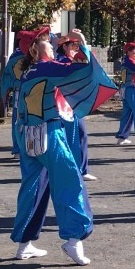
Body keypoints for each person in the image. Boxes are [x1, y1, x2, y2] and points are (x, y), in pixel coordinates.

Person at [11, 27, 119, 264]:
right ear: (34, 49)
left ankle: (24, 244)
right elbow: (83, 70)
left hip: (26, 134)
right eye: (46, 41)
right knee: (70, 181)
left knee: (32, 188)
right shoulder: (46, 67)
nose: (52, 44)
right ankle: (74, 239)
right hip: (49, 133)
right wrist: (83, 43)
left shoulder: (28, 72)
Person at [55, 33, 97, 182]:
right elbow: (87, 64)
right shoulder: (62, 62)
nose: (75, 48)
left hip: (70, 105)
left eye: (76, 45)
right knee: (72, 137)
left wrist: (82, 40)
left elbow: (90, 63)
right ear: (64, 47)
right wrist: (82, 40)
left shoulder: (68, 60)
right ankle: (75, 169)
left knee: (78, 135)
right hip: (65, 107)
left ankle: (78, 169)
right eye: (72, 45)